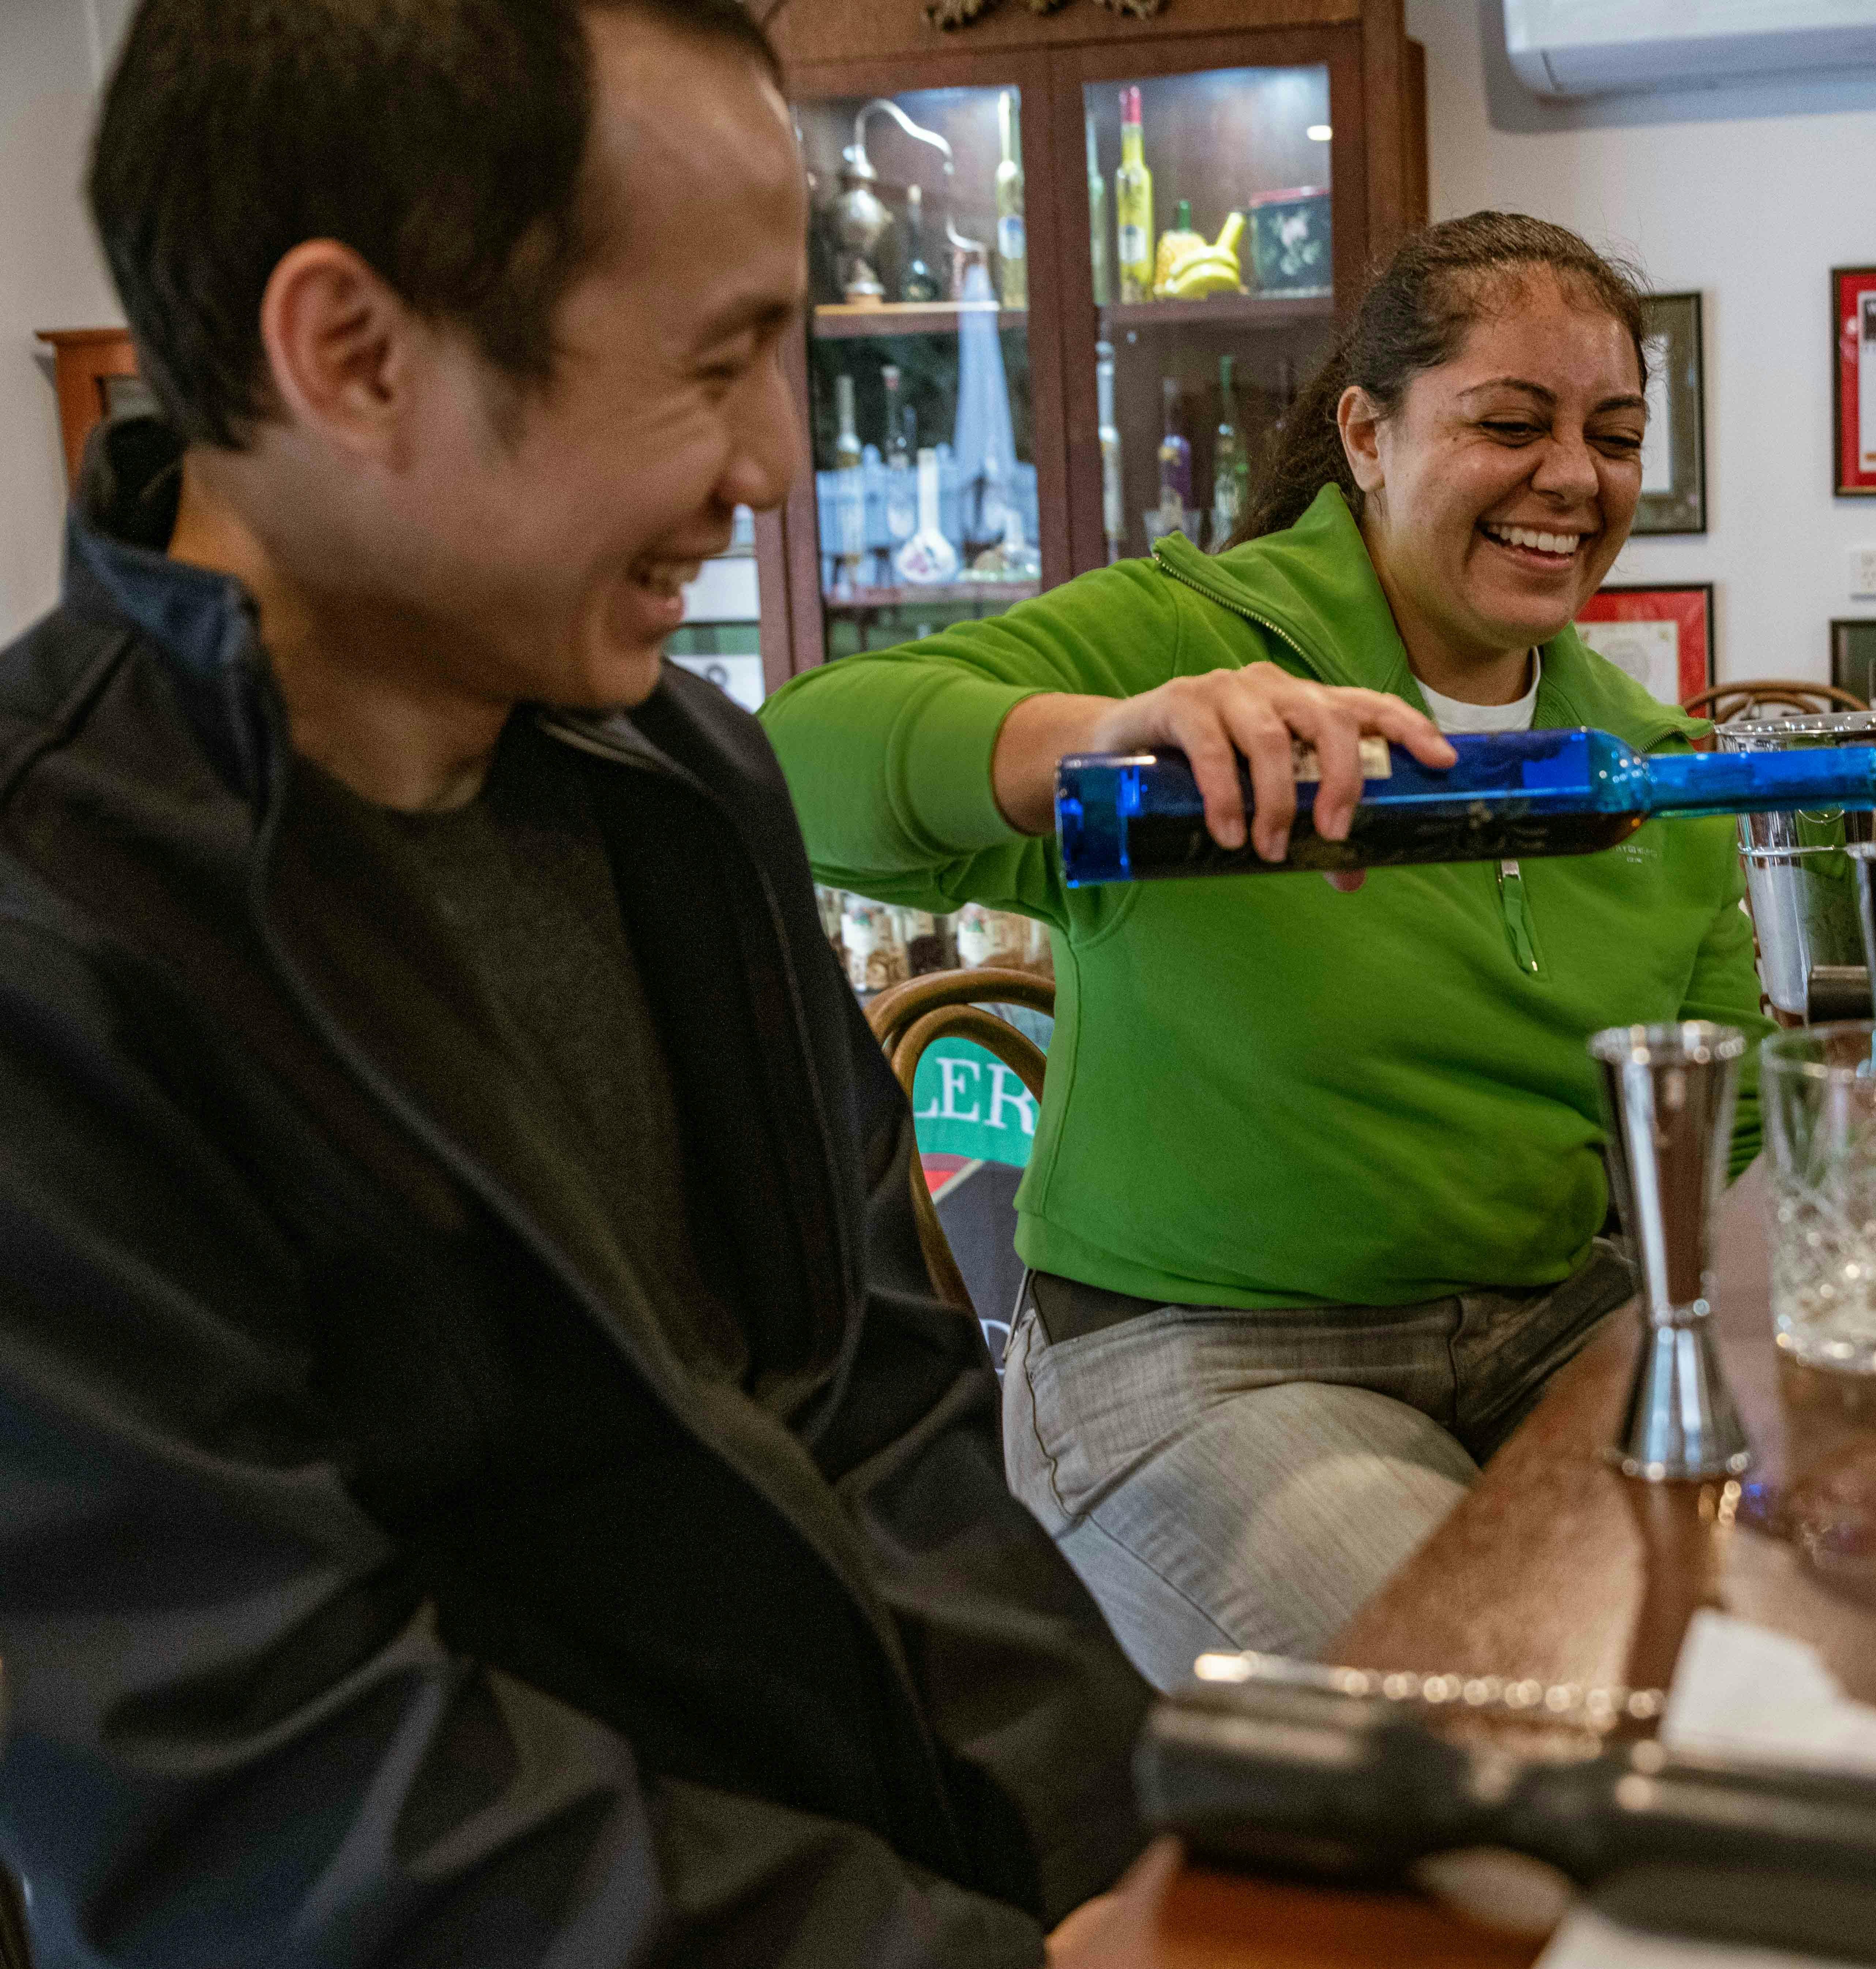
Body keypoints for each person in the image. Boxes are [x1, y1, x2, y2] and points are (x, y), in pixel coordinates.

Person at [0, 1, 1169, 1959]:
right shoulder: (58, 939)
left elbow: (883, 1414)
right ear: (351, 354)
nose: (779, 463)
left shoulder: (679, 776)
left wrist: (1137, 1863)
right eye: (715, 362)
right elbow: (277, 1805)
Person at [762, 212, 1772, 1690]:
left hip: (1548, 1331)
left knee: (1780, 1660)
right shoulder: (1190, 648)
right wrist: (1094, 737)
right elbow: (791, 762)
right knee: (1530, 1706)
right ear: (1366, 433)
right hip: (1201, 1360)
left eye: (1614, 436)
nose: (1574, 477)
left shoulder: (1648, 763)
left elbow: (1724, 1136)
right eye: (1512, 422)